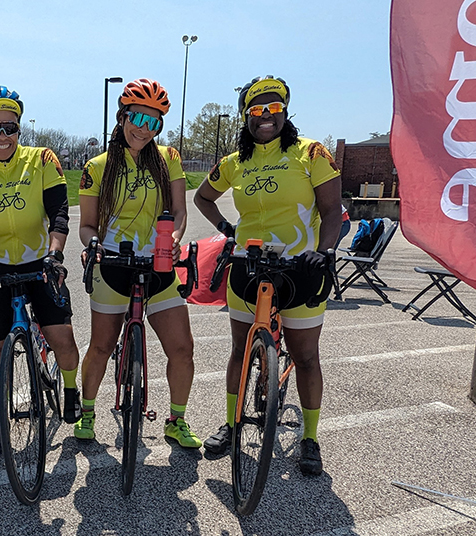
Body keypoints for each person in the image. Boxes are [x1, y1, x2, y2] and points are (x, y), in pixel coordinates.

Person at [193, 76, 342, 475]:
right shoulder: (234, 162)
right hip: (248, 265)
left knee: (307, 357)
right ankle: (231, 423)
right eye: (257, 110)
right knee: (240, 352)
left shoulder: (310, 152)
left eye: (274, 108)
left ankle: (310, 438)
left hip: (300, 267)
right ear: (246, 116)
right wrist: (226, 228)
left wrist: (324, 253)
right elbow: (202, 197)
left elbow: (332, 211)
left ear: (285, 111)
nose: (266, 117)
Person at [0, 86, 82, 452]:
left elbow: (58, 213)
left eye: (9, 128)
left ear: (19, 129)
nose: (2, 136)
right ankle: (1, 420)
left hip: (39, 259)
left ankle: (70, 389)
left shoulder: (42, 159)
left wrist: (55, 255)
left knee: (61, 338)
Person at [75, 79, 202, 449]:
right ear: (123, 116)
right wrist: (94, 244)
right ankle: (87, 412)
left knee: (182, 348)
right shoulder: (96, 166)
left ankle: (176, 420)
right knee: (100, 346)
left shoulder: (169, 159)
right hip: (113, 264)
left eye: (154, 122)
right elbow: (86, 225)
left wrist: (175, 239)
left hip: (159, 264)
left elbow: (179, 212)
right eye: (138, 118)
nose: (144, 129)